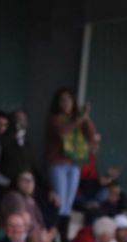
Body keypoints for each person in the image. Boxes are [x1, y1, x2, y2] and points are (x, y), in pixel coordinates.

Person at [46, 88, 98, 230]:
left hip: (74, 164)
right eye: (62, 100)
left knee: (68, 204)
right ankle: (54, 231)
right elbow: (63, 132)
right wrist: (79, 119)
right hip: (58, 164)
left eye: (68, 100)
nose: (65, 103)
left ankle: (62, 233)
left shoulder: (78, 118)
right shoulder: (55, 118)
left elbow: (93, 135)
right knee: (60, 202)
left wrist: (86, 117)